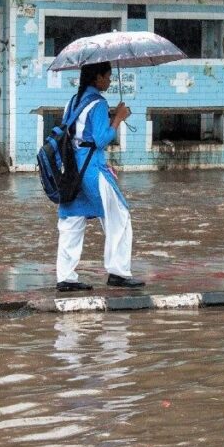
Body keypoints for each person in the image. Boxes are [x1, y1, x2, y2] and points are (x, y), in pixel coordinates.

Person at [55, 61, 144, 292]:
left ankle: (66, 278)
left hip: (73, 169)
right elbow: (102, 139)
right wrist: (118, 118)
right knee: (120, 216)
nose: (110, 80)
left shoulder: (72, 102)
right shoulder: (98, 103)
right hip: (92, 168)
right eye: (108, 76)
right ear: (98, 78)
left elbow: (77, 135)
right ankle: (119, 273)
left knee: (72, 221)